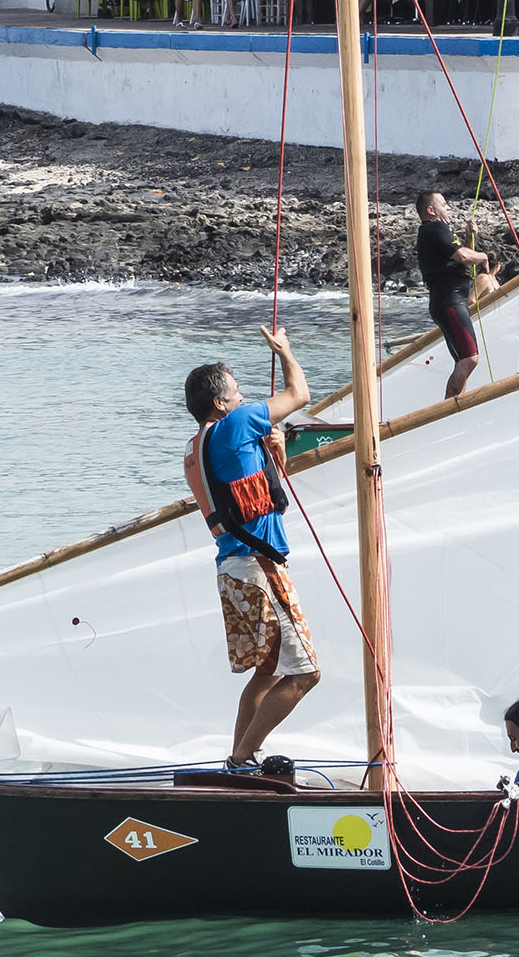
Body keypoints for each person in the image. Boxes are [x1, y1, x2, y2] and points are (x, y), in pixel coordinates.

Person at [182, 329, 321, 768]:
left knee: (268, 670)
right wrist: (285, 351)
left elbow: (246, 495)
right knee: (306, 673)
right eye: (237, 394)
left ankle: (239, 761)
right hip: (258, 568)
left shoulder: (194, 449)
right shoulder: (236, 424)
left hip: (231, 570)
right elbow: (300, 393)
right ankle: (244, 754)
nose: (242, 400)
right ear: (220, 405)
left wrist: (272, 456)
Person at [415, 190, 492, 399]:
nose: (448, 207)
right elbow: (463, 256)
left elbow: (461, 258)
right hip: (449, 300)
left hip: (447, 301)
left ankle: (454, 407)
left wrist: (468, 237)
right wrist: (484, 256)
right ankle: (447, 410)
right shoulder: (434, 228)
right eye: (444, 204)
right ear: (431, 210)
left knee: (462, 361)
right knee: (470, 359)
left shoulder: (437, 231)